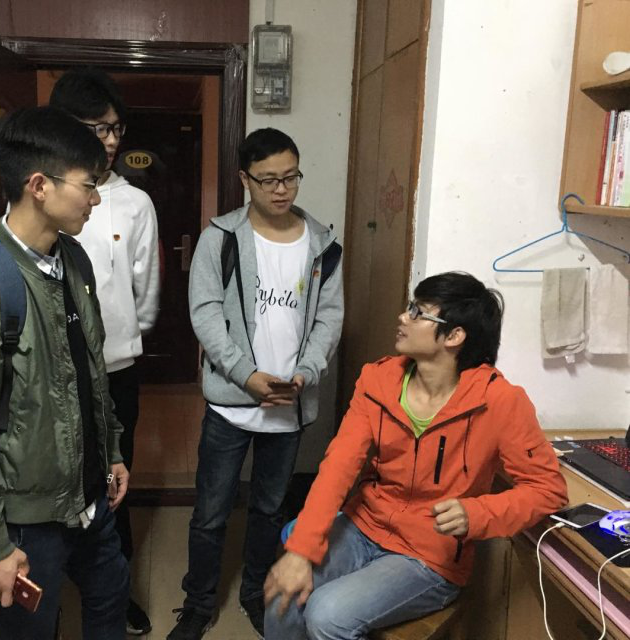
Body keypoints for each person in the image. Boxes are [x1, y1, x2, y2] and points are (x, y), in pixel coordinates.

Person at [264, 272, 569, 640]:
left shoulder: (500, 402)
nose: (402, 317)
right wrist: (301, 551)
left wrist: (478, 513)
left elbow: (548, 490)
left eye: (418, 313)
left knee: (327, 615)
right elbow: (338, 467)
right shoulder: (377, 381)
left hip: (428, 555)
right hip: (365, 524)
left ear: (454, 336)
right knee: (283, 594)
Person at [0, 106, 130, 640]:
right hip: (25, 518)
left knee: (110, 599)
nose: (94, 199)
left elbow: (91, 371)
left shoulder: (74, 261)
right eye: (88, 186)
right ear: (39, 186)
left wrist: (111, 450)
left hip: (90, 496)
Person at [168, 128, 344, 640]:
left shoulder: (323, 244)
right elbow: (205, 313)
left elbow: (328, 319)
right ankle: (199, 603)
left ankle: (254, 594)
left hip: (289, 403)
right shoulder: (220, 238)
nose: (282, 189)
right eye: (268, 180)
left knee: (269, 510)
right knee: (210, 513)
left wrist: (306, 372)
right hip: (231, 403)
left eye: (290, 177)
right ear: (245, 180)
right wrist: (245, 375)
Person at [50, 67, 160, 636]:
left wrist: (120, 341)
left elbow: (146, 293)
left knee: (116, 481)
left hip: (115, 368)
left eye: (116, 128)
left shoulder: (135, 202)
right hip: (52, 371)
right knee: (56, 479)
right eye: (97, 128)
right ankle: (54, 590)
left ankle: (115, 595)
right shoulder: (45, 193)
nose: (110, 140)